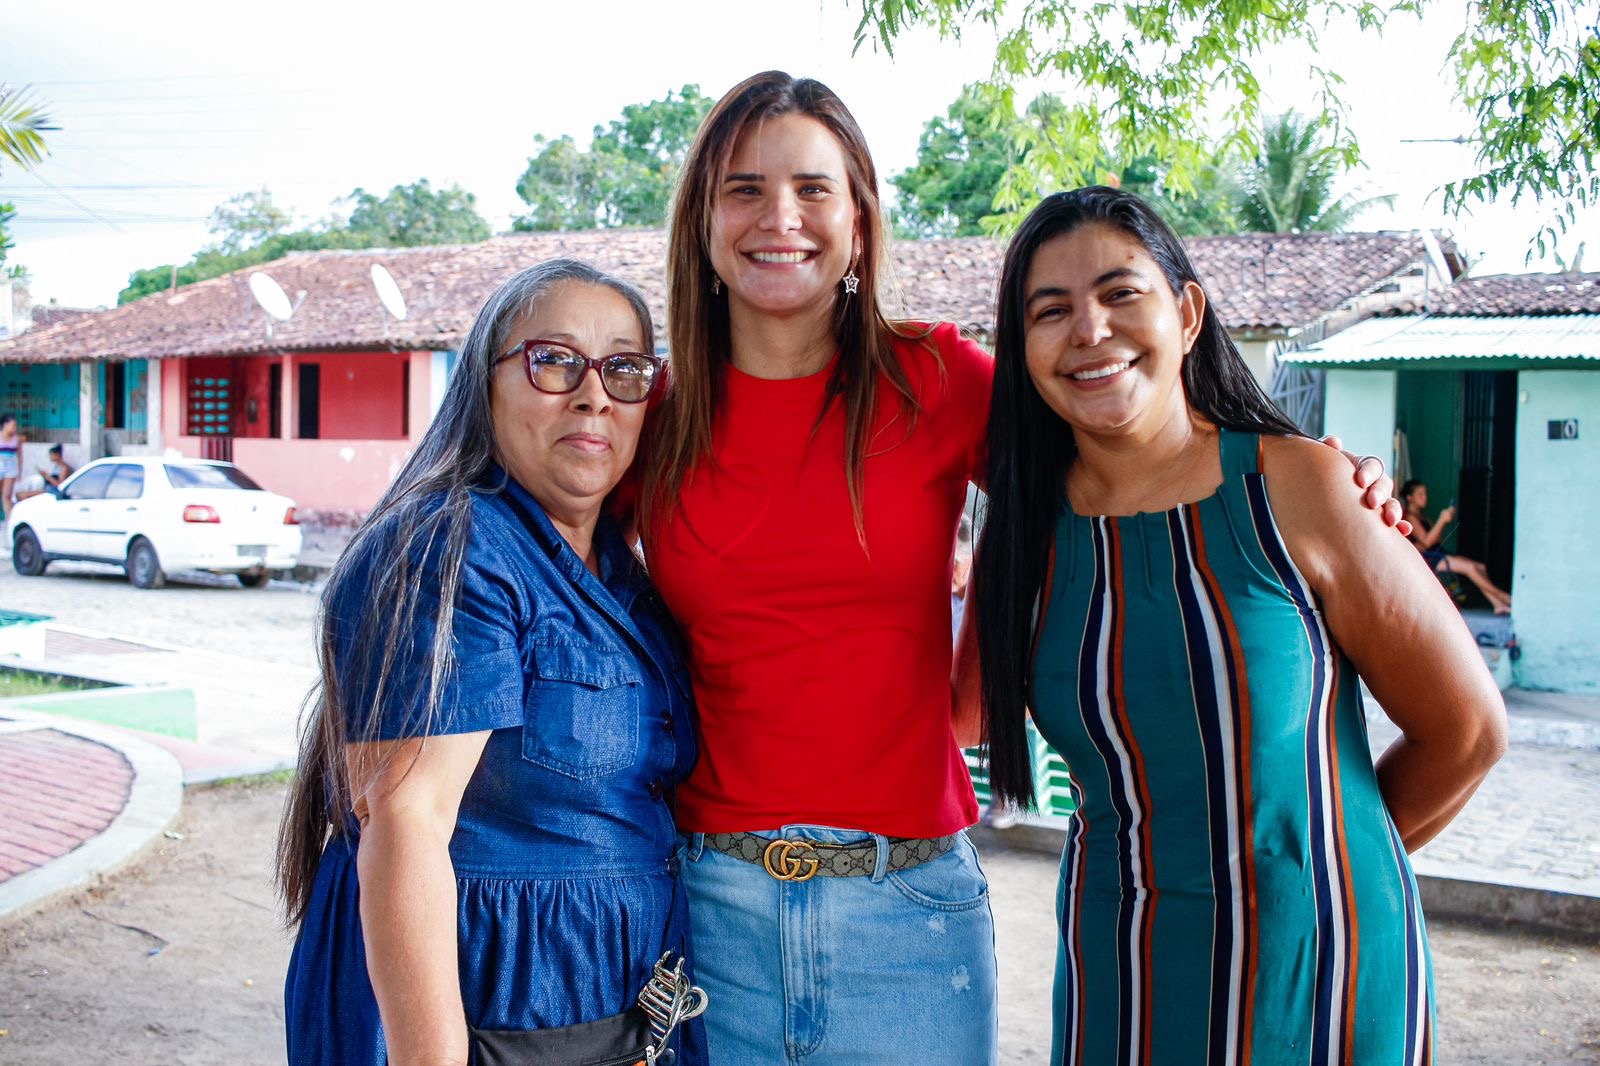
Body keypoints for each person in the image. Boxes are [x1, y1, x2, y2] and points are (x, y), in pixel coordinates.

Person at [640, 71, 1403, 1065]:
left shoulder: (937, 378)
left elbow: (1118, 456)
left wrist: (1319, 476)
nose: (779, 216)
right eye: (743, 189)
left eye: (813, 188)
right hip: (706, 908)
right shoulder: (649, 418)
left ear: (860, 222)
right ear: (701, 222)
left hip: (907, 910)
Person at [966, 186, 1507, 1064]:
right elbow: (953, 713)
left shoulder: (1303, 487)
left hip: (1320, 974)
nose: (1090, 330)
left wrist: (1320, 873)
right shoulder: (1027, 536)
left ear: (1187, 314)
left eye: (1120, 293)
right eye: (1051, 311)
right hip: (1121, 972)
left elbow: (1469, 732)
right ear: (1021, 350)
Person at [275, 260, 705, 1066]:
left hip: (602, 1016)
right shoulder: (449, 547)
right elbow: (407, 821)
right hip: (486, 1012)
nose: (593, 395)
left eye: (623, 369)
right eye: (554, 360)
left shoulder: (622, 576)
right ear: (485, 383)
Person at [1402, 479, 1512, 614]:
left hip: (1437, 551)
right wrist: (1442, 521)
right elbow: (1427, 542)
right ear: (1409, 498)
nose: (1425, 497)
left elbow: (1434, 539)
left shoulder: (1422, 517)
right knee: (1470, 567)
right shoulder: (1410, 517)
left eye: (1425, 494)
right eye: (1420, 494)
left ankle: (1497, 604)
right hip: (1429, 558)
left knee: (1480, 567)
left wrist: (1443, 521)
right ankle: (1503, 596)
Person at [0, 413, 23, 520]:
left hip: (11, 468)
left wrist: (20, 471)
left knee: (7, 495)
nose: (14, 428)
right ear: (5, 425)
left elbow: (20, 456)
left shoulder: (17, 439)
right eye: (13, 425)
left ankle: (9, 520)